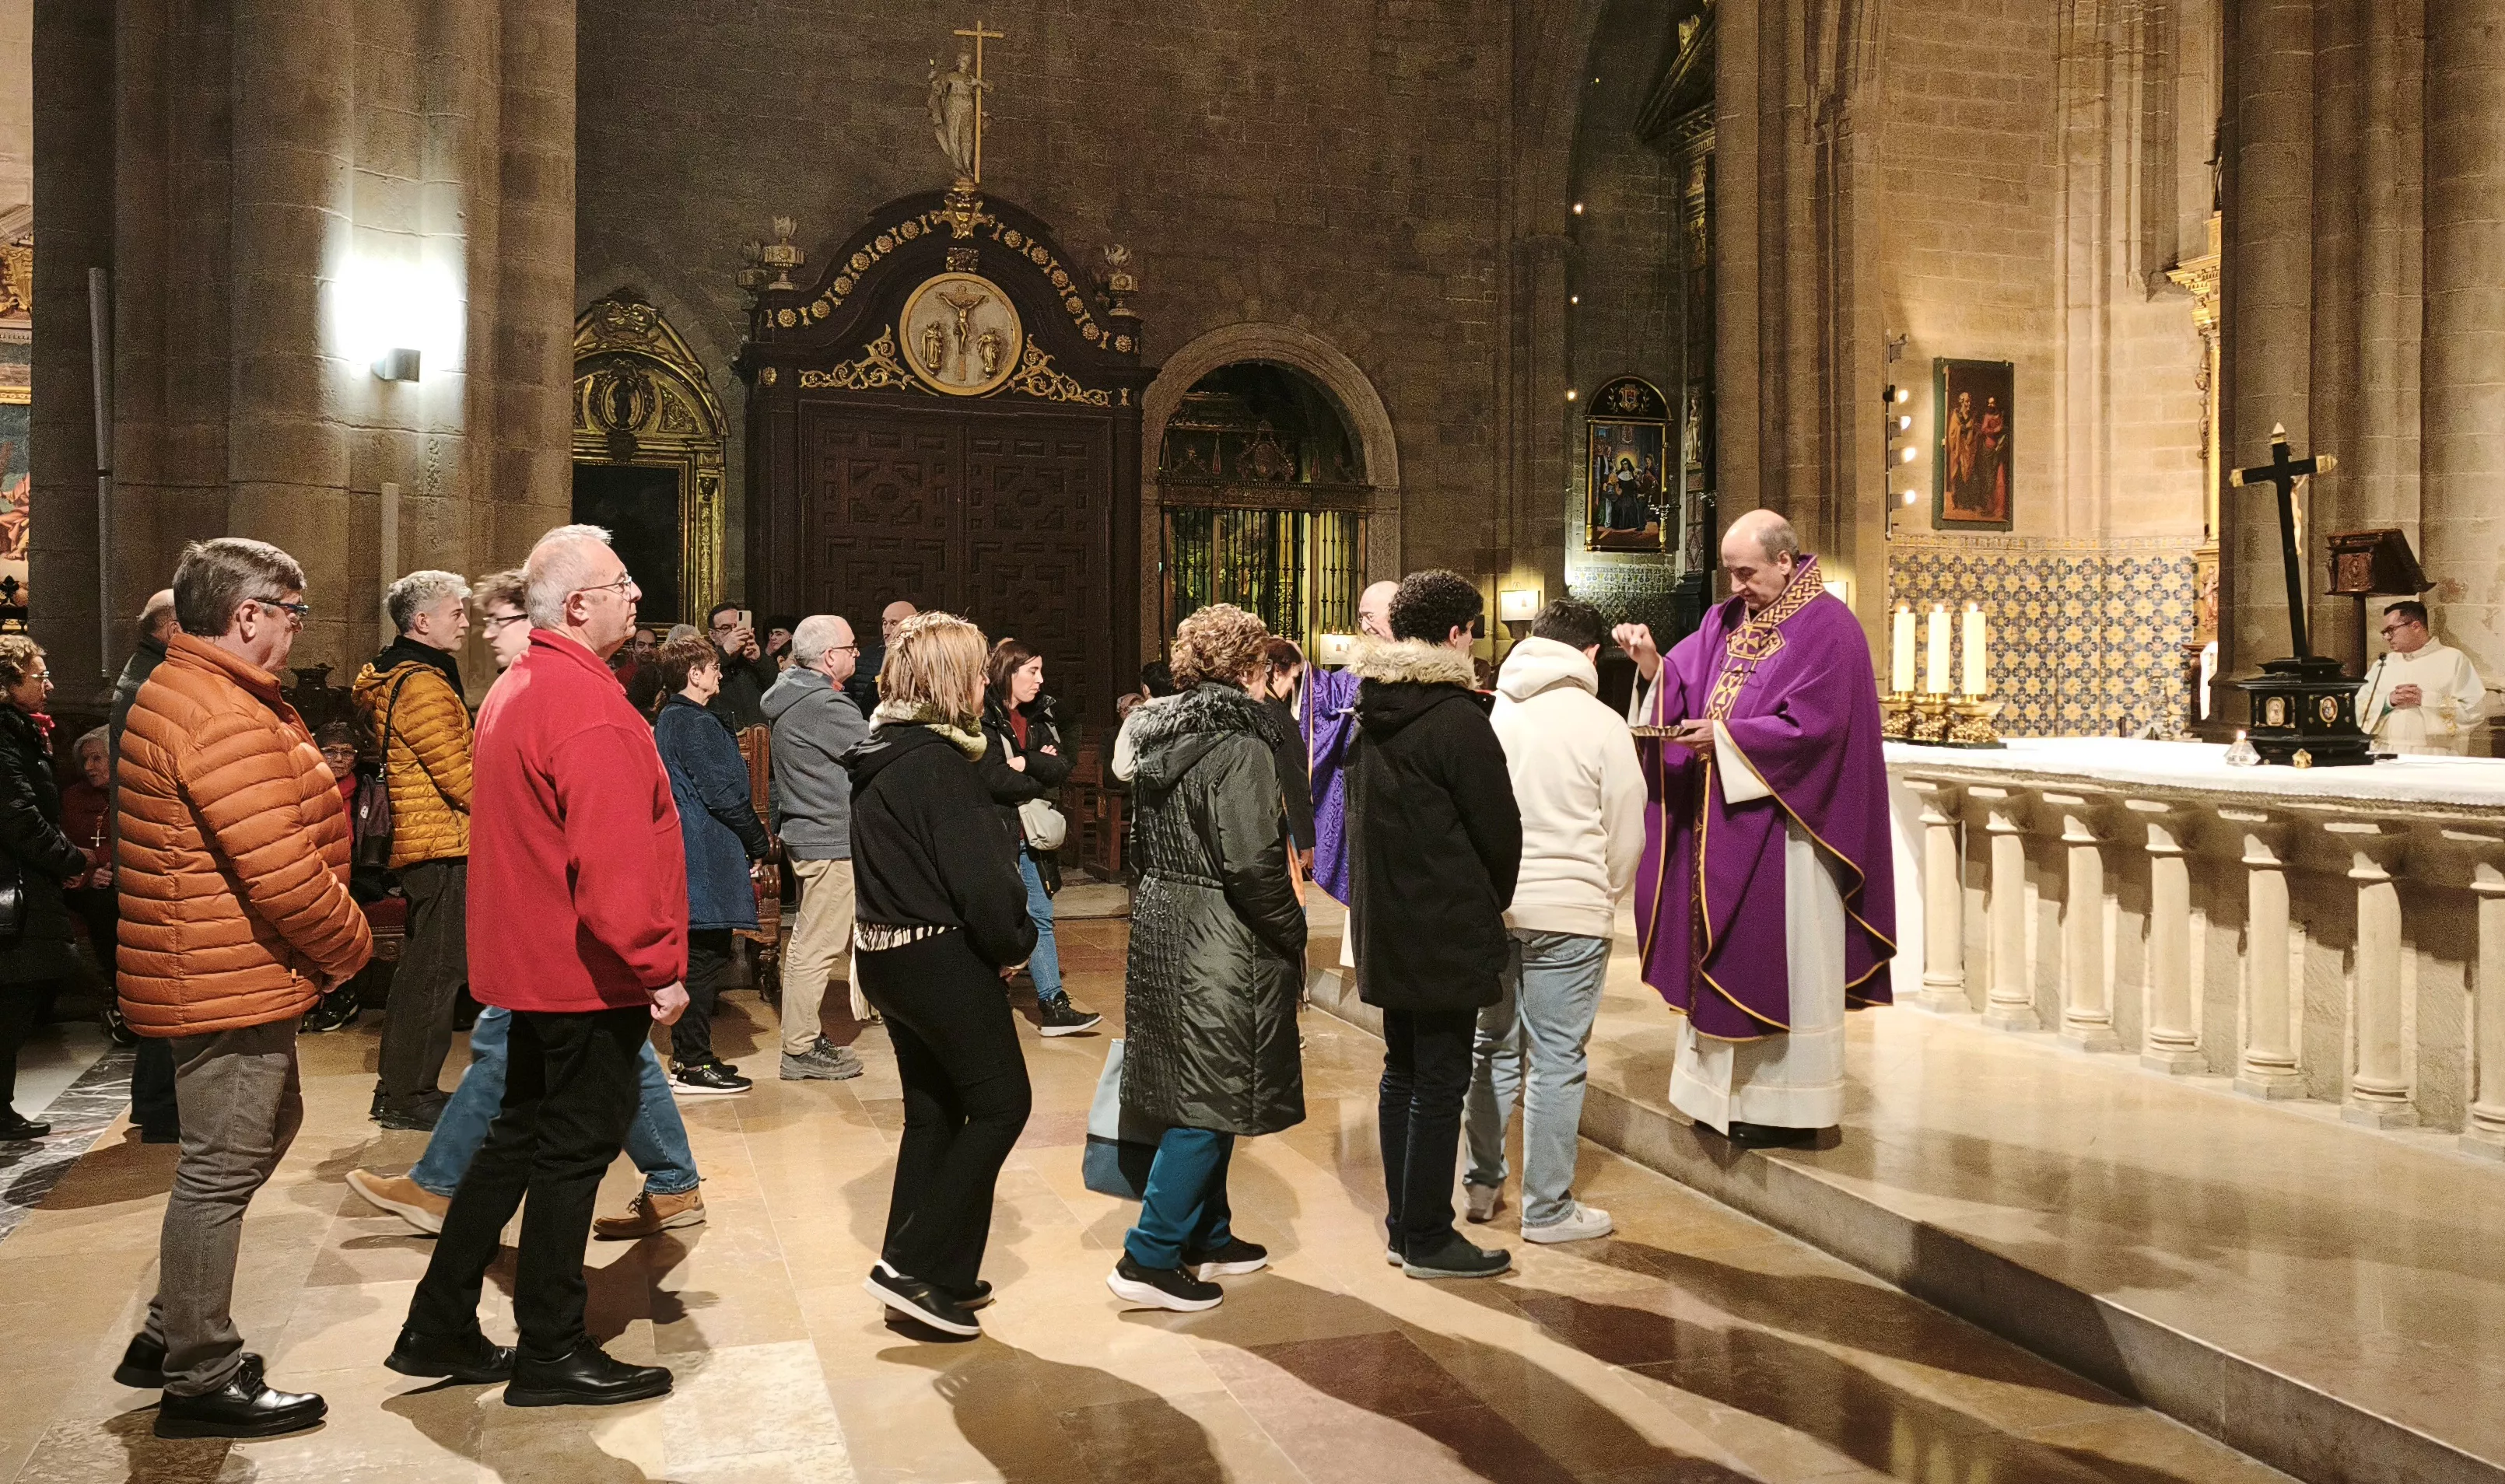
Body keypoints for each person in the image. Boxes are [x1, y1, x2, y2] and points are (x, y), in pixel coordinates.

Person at [391, 524, 686, 1408]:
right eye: (623, 582)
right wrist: (655, 962)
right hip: (583, 970)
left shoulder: (523, 683)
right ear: (580, 603)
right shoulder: (586, 704)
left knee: (513, 1141)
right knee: (573, 1155)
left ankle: (438, 1322)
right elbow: (612, 859)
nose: (637, 594)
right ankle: (551, 1351)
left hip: (535, 962)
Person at [347, 568, 709, 1242]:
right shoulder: (527, 696)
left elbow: (612, 850)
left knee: (540, 1090)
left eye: (497, 621)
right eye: (474, 619)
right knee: (540, 1058)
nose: (483, 632)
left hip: (556, 921)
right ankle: (665, 1181)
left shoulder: (576, 706)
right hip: (536, 914)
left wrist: (657, 965)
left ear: (546, 618)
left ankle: (445, 1196)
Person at [114, 537, 373, 1437]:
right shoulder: (217, 712)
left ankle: (167, 1329)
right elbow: (280, 874)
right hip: (225, 968)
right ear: (247, 615)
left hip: (225, 962)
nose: (297, 630)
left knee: (264, 1130)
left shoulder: (203, 691)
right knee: (219, 1168)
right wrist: (353, 948)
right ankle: (198, 1374)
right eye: (291, 613)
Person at [1616, 509, 1896, 1149]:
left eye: (1747, 572)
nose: (1737, 585)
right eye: (1731, 572)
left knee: (1783, 961)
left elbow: (1821, 731)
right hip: (1721, 820)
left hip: (1790, 833)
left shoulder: (1831, 630)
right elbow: (1684, 681)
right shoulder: (1725, 619)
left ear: (1785, 562)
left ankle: (1788, 1107)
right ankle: (1717, 1098)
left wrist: (1731, 738)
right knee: (1715, 958)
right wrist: (1653, 665)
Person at [1105, 605, 1304, 1313]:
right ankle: (1150, 1255)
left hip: (1165, 920)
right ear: (1250, 669)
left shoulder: (1164, 731)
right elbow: (1251, 863)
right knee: (1210, 1094)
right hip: (1221, 930)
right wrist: (1292, 927)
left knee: (1198, 1086)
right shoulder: (1241, 746)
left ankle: (1207, 1232)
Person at [844, 612, 1036, 1339]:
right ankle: (913, 1265)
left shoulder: (882, 747)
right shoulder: (937, 763)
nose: (987, 681)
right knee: (1001, 1105)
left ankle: (935, 1277)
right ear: (957, 679)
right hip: (939, 957)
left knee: (932, 1115)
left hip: (887, 953)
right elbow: (982, 884)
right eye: (979, 669)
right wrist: (1012, 943)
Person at [1347, 569, 1520, 1279]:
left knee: (1403, 1074)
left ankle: (1400, 1225)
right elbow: (1499, 833)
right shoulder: (1456, 719)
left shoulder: (1374, 708)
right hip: (1444, 923)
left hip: (1389, 920)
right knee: (1441, 1080)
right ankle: (1427, 1235)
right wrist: (1490, 899)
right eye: (1472, 630)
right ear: (1455, 634)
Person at [1463, 597, 1644, 1243]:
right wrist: (1604, 894)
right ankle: (1547, 1209)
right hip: (1571, 905)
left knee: (1492, 1045)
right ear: (1591, 654)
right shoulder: (1601, 722)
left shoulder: (1493, 714)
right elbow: (1627, 827)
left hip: (1499, 905)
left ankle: (1482, 1185)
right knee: (1559, 1057)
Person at [354, 570, 476, 1130]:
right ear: (422, 621)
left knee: (430, 970)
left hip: (432, 842)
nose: (467, 623)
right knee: (434, 973)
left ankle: (401, 1089)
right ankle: (407, 1095)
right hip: (441, 844)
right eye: (457, 613)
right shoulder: (423, 684)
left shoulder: (404, 674)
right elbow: (461, 778)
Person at [653, 635, 771, 1095]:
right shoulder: (692, 723)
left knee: (703, 954)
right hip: (703, 848)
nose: (720, 672)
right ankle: (693, 1063)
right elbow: (723, 793)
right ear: (693, 674)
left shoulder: (675, 718)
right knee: (703, 957)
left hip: (697, 845)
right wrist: (757, 838)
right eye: (712, 667)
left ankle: (692, 1058)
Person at [762, 614, 870, 1080]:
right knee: (817, 944)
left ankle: (804, 1038)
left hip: (810, 834)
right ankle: (800, 1048)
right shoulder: (823, 704)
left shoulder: (793, 696)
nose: (856, 655)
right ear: (830, 657)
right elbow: (877, 753)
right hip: (828, 838)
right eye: (851, 648)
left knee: (813, 939)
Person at [0, 638, 98, 1143]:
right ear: (6, 685)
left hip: (27, 882)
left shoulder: (19, 732)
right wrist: (70, 859)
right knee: (11, 1004)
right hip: (13, 889)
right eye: (38, 676)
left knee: (16, 1002)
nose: (49, 684)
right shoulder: (3, 737)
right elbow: (17, 817)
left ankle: (2, 1111)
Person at [978, 639, 1099, 1035]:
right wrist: (1036, 769)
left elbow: (1061, 766)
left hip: (1032, 831)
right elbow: (993, 777)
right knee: (996, 915)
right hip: (996, 829)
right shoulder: (984, 714)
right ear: (1009, 672)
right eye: (1032, 671)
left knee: (1041, 916)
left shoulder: (1042, 713)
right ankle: (986, 995)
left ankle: (1053, 1003)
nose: (1040, 680)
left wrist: (1027, 761)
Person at [110, 589, 181, 1143]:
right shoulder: (152, 683)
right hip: (159, 850)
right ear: (172, 626)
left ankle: (155, 1102)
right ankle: (159, 1106)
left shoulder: (146, 672)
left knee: (166, 980)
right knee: (169, 983)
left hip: (151, 846)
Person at [1304, 579, 1398, 908]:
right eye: (1360, 618)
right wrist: (1302, 674)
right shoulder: (1359, 671)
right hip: (1370, 798)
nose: (1364, 625)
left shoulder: (1424, 665)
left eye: (1370, 616)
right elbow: (1326, 697)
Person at [2356, 600, 2488, 755]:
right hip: (2387, 752)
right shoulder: (2384, 664)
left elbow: (2474, 711)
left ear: (2416, 626)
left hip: (2435, 755)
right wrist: (2388, 701)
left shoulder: (2453, 659)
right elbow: (2359, 706)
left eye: (2391, 630)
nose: (2387, 637)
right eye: (2384, 632)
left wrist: (2426, 699)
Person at [1260, 638, 1316, 874]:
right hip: (1278, 822)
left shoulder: (1247, 710)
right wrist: (1306, 840)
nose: (1294, 687)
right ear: (1275, 673)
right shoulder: (1280, 718)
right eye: (1293, 678)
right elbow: (1294, 780)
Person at [703, 601, 773, 730]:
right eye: (726, 628)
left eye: (737, 626)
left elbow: (777, 690)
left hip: (759, 739)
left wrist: (759, 660)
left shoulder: (755, 659)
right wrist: (726, 652)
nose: (734, 633)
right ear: (712, 635)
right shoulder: (704, 660)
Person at [848, 599, 919, 719]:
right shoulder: (863, 657)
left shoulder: (927, 659)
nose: (887, 629)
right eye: (884, 623)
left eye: (894, 623)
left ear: (912, 625)